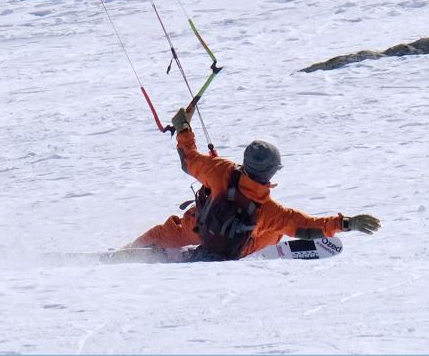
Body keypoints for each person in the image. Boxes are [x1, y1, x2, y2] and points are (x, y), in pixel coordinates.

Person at [120, 101, 382, 261]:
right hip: (232, 250)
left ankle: (129, 251)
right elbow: (306, 228)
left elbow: (187, 160)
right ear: (272, 172)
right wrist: (347, 223)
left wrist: (184, 130)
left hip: (196, 228)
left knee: (168, 230)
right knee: (278, 230)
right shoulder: (269, 211)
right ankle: (261, 248)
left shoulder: (221, 170)